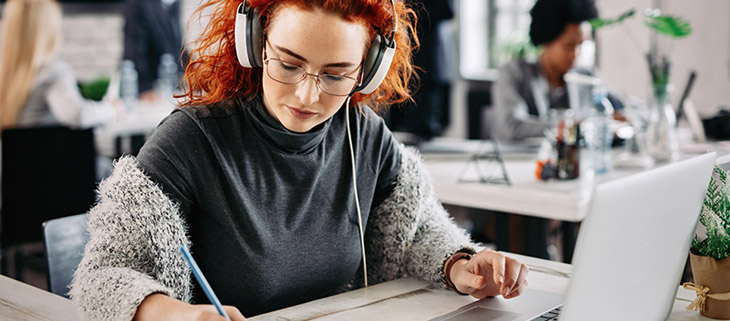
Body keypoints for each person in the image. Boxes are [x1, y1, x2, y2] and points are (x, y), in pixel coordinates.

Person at [70, 0, 529, 320]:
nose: (307, 95)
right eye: (288, 64)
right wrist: (173, 315)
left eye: (336, 75)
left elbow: (413, 234)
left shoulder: (363, 135)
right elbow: (103, 275)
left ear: (366, 72)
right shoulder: (192, 139)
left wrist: (460, 263)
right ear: (256, 43)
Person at [491, 0, 617, 141]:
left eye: (580, 45)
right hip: (524, 161)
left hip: (574, 161)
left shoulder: (585, 77)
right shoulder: (514, 73)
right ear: (547, 40)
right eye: (569, 45)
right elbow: (512, 127)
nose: (575, 54)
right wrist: (575, 126)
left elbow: (631, 108)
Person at [0, 0, 116, 134]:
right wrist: (111, 109)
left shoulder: (5, 73)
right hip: (46, 154)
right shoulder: (52, 73)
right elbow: (77, 115)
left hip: (11, 155)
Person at [122, 0, 185, 101]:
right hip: (147, 82)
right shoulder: (138, 3)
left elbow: (176, 39)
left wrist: (190, 71)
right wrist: (145, 86)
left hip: (171, 81)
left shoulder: (175, 3)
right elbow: (135, 44)